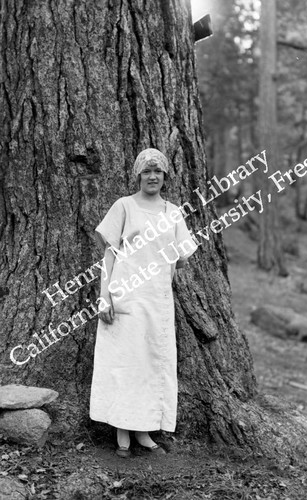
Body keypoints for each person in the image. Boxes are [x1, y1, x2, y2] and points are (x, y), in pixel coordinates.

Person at [89, 148, 197, 457]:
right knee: (125, 364)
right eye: (147, 171)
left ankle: (145, 432)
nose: (152, 177)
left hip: (157, 303)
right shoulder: (124, 206)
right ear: (138, 175)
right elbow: (109, 255)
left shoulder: (173, 212)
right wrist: (104, 297)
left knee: (151, 365)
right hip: (125, 297)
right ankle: (122, 431)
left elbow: (181, 259)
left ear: (165, 177)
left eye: (158, 172)